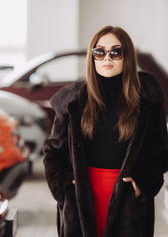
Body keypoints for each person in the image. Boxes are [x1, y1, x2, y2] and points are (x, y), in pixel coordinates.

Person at [43, 25, 168, 237]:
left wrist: (142, 184)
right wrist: (66, 187)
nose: (106, 58)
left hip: (128, 203)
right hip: (82, 200)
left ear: (127, 56)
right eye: (99, 52)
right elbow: (53, 152)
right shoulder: (73, 101)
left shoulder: (147, 100)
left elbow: (161, 153)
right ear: (92, 57)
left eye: (115, 52)